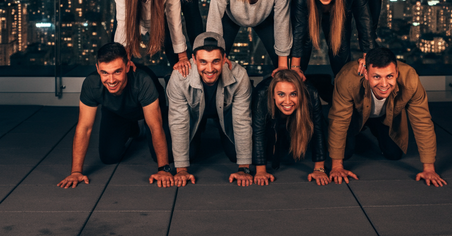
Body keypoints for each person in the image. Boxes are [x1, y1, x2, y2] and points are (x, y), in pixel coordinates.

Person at [57, 43, 174, 189]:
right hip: (117, 112)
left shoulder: (143, 81)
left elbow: (155, 126)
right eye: (105, 72)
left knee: (166, 155)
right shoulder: (91, 84)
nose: (111, 80)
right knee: (108, 157)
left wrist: (163, 169)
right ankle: (132, 128)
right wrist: (76, 171)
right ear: (97, 69)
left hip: (150, 110)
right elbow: (84, 127)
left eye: (117, 72)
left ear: (127, 66)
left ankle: (139, 126)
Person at [328, 47, 447, 187]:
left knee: (394, 154)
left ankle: (373, 129)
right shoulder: (348, 78)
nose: (384, 84)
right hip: (355, 115)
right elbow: (339, 120)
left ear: (396, 72)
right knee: (346, 153)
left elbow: (422, 122)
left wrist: (429, 169)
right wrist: (336, 167)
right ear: (366, 74)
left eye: (389, 76)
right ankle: (356, 131)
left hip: (385, 116)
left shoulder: (410, 78)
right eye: (377, 77)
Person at [167, 32, 253, 187]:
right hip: (192, 116)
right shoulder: (179, 77)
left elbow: (242, 120)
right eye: (203, 62)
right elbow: (178, 121)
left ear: (224, 59)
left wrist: (244, 168)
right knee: (186, 156)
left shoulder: (239, 75)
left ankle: (221, 130)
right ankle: (198, 130)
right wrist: (181, 170)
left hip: (226, 115)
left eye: (215, 61)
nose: (210, 69)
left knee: (236, 155)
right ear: (193, 60)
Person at [289, 0, 375, 98]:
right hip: (311, 17)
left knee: (340, 49)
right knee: (304, 42)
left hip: (337, 18)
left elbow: (365, 24)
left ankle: (343, 93)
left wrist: (367, 58)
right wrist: (294, 69)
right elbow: (298, 32)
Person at [252, 70, 329, 186]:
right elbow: (258, 133)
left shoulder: (311, 94)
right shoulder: (262, 94)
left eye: (293, 94)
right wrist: (261, 171)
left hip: (296, 121)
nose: (287, 101)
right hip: (271, 122)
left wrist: (319, 168)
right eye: (281, 94)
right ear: (273, 94)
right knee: (270, 153)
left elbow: (318, 130)